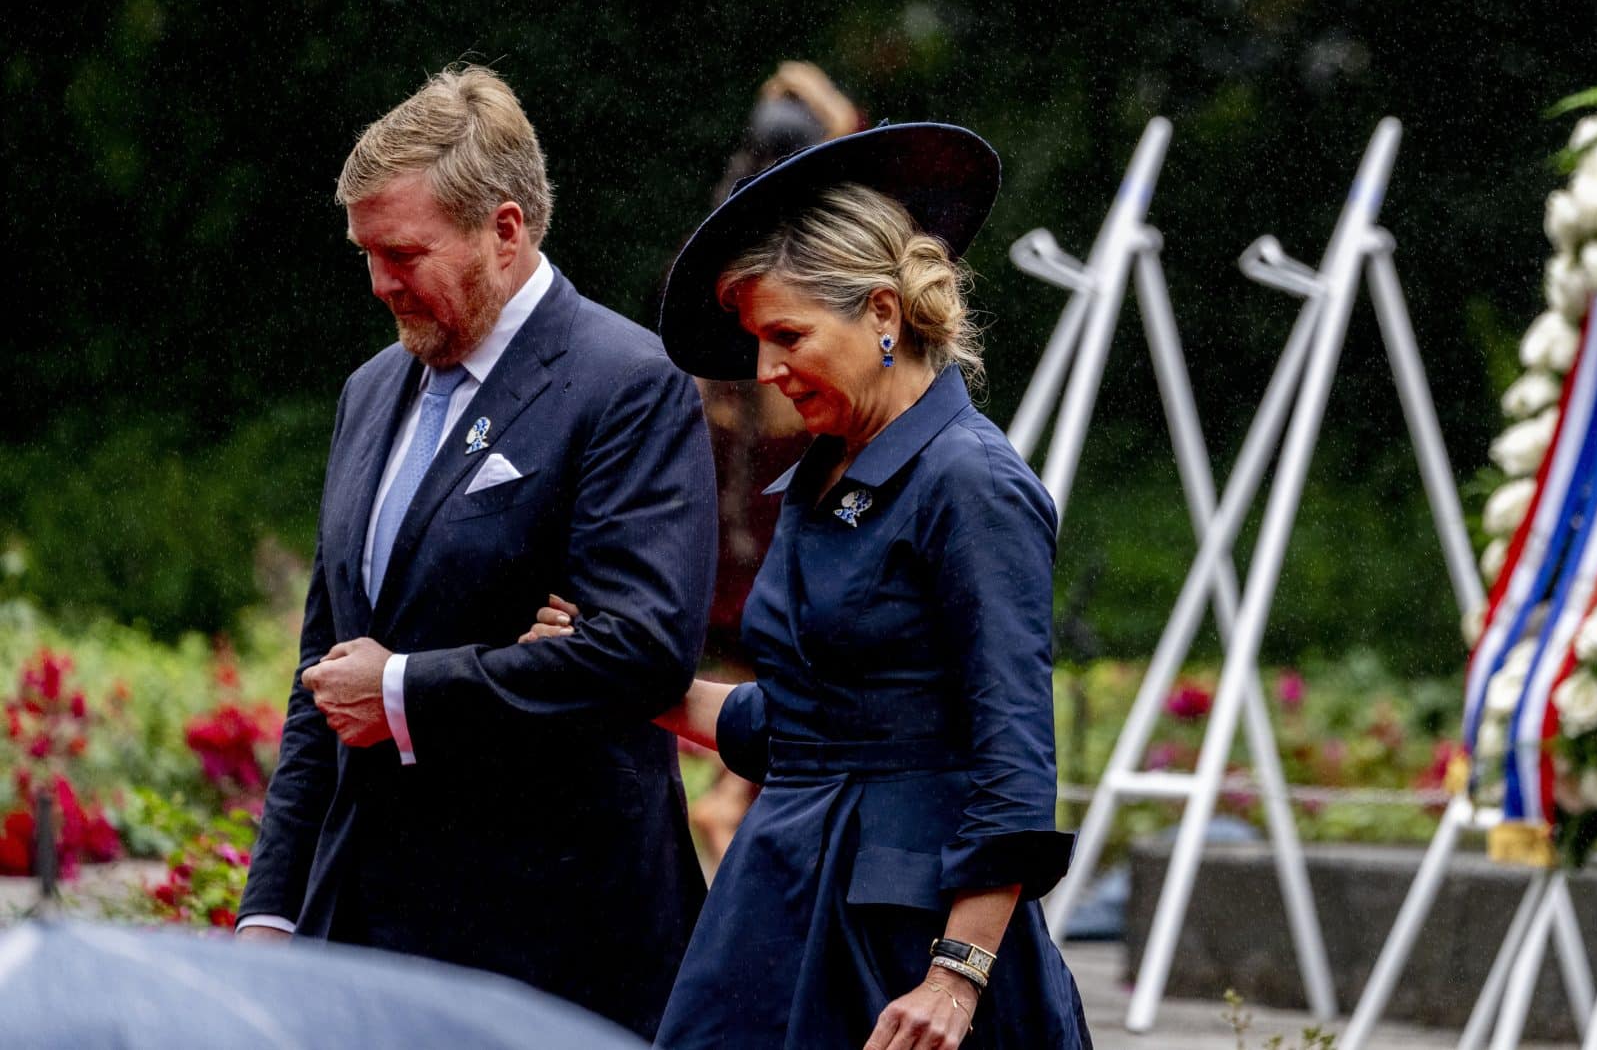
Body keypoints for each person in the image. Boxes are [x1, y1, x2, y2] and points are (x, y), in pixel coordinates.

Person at [530, 121, 1089, 1049]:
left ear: (881, 312)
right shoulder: (822, 472)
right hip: (778, 899)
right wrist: (610, 668)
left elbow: (1015, 764)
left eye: (786, 335)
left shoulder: (971, 483)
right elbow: (797, 725)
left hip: (907, 942)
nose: (764, 372)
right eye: (755, 340)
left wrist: (957, 977)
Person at [237, 66, 718, 1038]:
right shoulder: (371, 388)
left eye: (403, 252)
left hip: (551, 944)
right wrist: (272, 906)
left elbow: (640, 651)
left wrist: (407, 688)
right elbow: (322, 676)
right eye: (364, 253)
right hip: (366, 932)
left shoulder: (629, 384)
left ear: (505, 231)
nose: (378, 283)